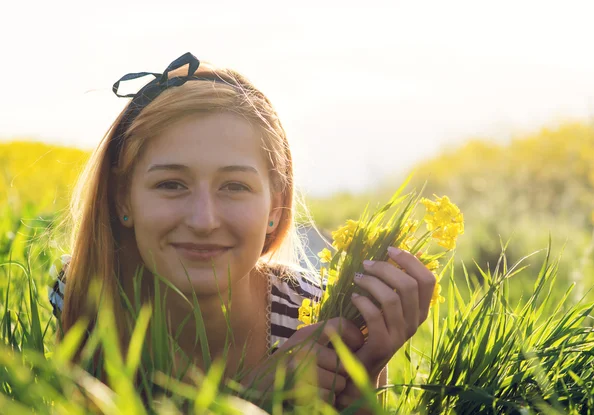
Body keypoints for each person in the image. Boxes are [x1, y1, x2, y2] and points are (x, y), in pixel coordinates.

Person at [48, 52, 437, 412]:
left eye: (234, 186)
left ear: (274, 206)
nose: (204, 221)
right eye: (171, 185)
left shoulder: (318, 317)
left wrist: (361, 392)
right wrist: (252, 401)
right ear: (123, 200)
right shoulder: (87, 293)